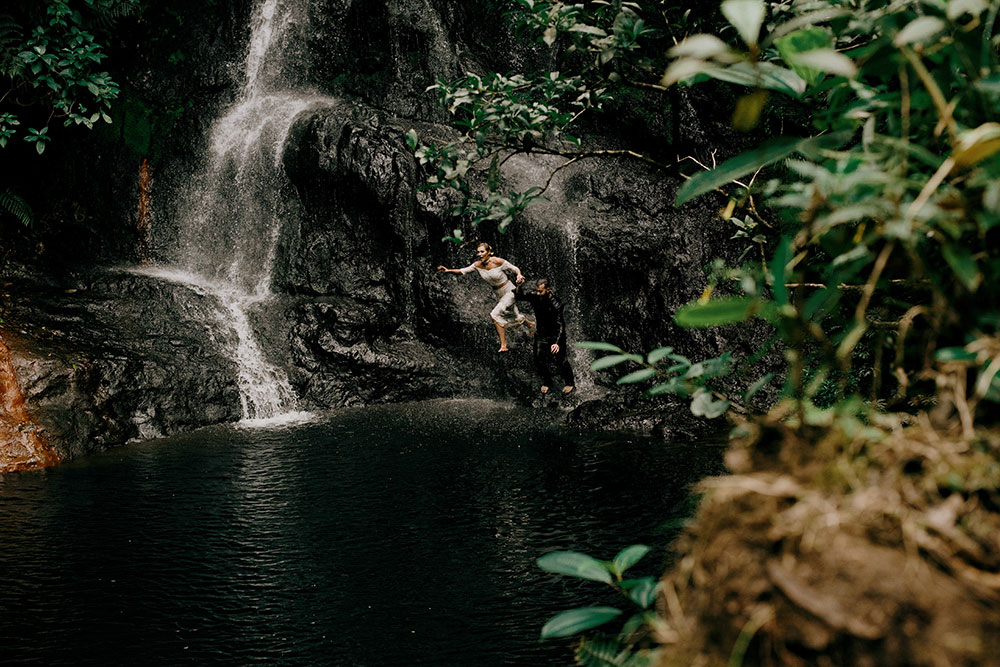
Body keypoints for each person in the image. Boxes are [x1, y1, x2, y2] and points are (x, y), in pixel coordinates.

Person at [437, 242, 533, 353]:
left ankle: (503, 345)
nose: (479, 254)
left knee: (494, 314)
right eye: (478, 252)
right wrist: (448, 270)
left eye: (482, 251)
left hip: (509, 291)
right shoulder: (477, 265)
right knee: (512, 314)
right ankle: (530, 324)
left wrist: (519, 275)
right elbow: (462, 271)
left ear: (488, 252)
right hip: (498, 293)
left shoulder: (497, 261)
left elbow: (514, 268)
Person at [516, 277, 575, 394]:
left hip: (556, 334)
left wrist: (557, 343)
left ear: (548, 290)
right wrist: (519, 286)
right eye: (537, 291)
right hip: (541, 333)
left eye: (540, 291)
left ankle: (570, 383)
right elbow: (519, 296)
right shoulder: (535, 296)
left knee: (560, 360)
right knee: (538, 358)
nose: (538, 293)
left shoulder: (556, 303)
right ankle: (547, 381)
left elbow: (561, 325)